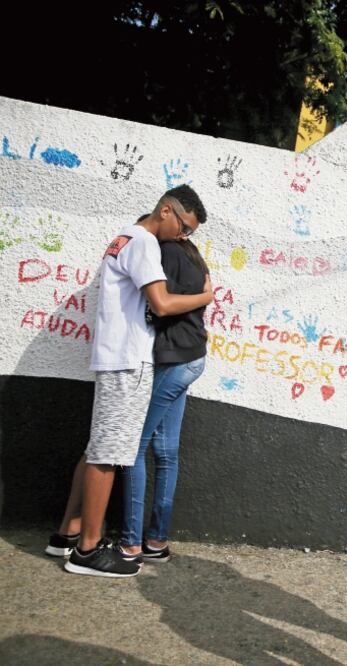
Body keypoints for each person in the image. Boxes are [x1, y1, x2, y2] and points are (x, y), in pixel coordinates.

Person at [45, 184, 213, 578]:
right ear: (168, 211)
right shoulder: (143, 243)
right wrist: (206, 298)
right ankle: (87, 551)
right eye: (185, 227)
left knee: (97, 447)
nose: (185, 237)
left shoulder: (124, 238)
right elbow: (163, 303)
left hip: (113, 355)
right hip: (128, 360)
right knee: (109, 453)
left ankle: (67, 534)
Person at [117, 237, 211, 564]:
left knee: (134, 446)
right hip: (191, 357)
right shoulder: (193, 256)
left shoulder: (165, 252)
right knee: (165, 451)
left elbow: (162, 304)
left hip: (175, 361)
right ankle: (156, 541)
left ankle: (130, 544)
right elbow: (199, 294)